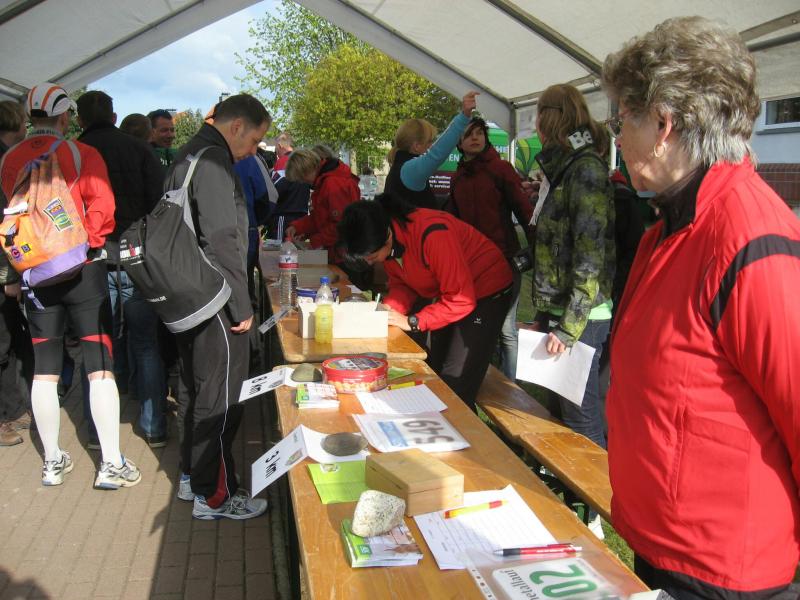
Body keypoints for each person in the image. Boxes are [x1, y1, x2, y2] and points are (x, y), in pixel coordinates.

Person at [602, 17, 800, 598]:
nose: (619, 136)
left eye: (623, 119)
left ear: (663, 125)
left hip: (719, 567)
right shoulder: (671, 223)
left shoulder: (747, 238)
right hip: (663, 540)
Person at [0, 83, 141, 488]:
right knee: (99, 367)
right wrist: (83, 246)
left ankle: (52, 462)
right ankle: (111, 464)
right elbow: (104, 209)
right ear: (65, 117)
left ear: (31, 117)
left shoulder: (9, 159)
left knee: (44, 371)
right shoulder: (82, 153)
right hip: (84, 273)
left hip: (36, 276)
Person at [166, 93, 270, 520]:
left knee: (195, 391)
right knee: (221, 398)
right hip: (215, 299)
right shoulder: (212, 161)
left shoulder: (187, 154)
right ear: (236, 126)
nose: (253, 151)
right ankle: (215, 496)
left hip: (189, 296)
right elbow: (222, 238)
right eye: (254, 140)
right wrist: (241, 305)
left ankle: (193, 478)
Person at [528, 84, 615, 539]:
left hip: (583, 316)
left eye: (539, 115)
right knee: (561, 413)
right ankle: (572, 496)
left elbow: (590, 256)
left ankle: (596, 509)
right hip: (562, 311)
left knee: (581, 417)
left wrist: (568, 327)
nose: (534, 124)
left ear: (552, 117)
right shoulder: (563, 168)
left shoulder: (584, 170)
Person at [337, 194, 513, 411]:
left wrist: (413, 321)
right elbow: (404, 283)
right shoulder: (390, 237)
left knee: (455, 381)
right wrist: (390, 309)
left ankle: (461, 426)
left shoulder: (433, 234)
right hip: (452, 294)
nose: (370, 262)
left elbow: (460, 299)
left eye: (372, 258)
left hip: (486, 291)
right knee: (434, 368)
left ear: (387, 237)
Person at [76, 91, 168, 448]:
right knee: (146, 344)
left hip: (92, 260)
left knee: (97, 347)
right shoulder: (140, 150)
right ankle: (154, 426)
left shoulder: (74, 152)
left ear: (80, 119)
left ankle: (97, 432)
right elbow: (160, 207)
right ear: (114, 117)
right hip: (136, 257)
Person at [448, 116, 533, 380]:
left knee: (506, 329)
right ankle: (482, 379)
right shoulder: (457, 178)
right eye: (468, 134)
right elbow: (453, 222)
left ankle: (511, 386)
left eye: (479, 133)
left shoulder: (501, 169)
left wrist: (534, 250)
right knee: (477, 323)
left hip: (505, 259)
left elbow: (524, 210)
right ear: (459, 143)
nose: (475, 138)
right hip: (473, 264)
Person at [0, 101, 33, 446]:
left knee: (11, 340)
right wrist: (9, 276)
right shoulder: (4, 162)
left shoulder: (8, 159)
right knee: (2, 343)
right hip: (3, 269)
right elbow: (5, 223)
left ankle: (12, 410)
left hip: (7, 266)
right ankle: (3, 418)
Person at [284, 148, 365, 287]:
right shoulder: (324, 183)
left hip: (347, 256)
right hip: (339, 253)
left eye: (301, 178)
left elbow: (341, 226)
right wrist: (297, 227)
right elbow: (319, 217)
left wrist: (314, 242)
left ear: (305, 171)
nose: (303, 182)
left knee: (343, 293)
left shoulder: (333, 184)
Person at [384, 91, 477, 210]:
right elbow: (437, 153)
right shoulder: (409, 170)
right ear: (417, 146)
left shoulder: (399, 168)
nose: (432, 145)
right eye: (430, 141)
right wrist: (464, 116)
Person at [268, 133, 311, 241]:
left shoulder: (282, 162)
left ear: (280, 145)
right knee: (297, 249)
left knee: (281, 248)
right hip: (302, 214)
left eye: (276, 147)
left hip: (284, 215)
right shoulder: (301, 161)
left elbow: (275, 190)